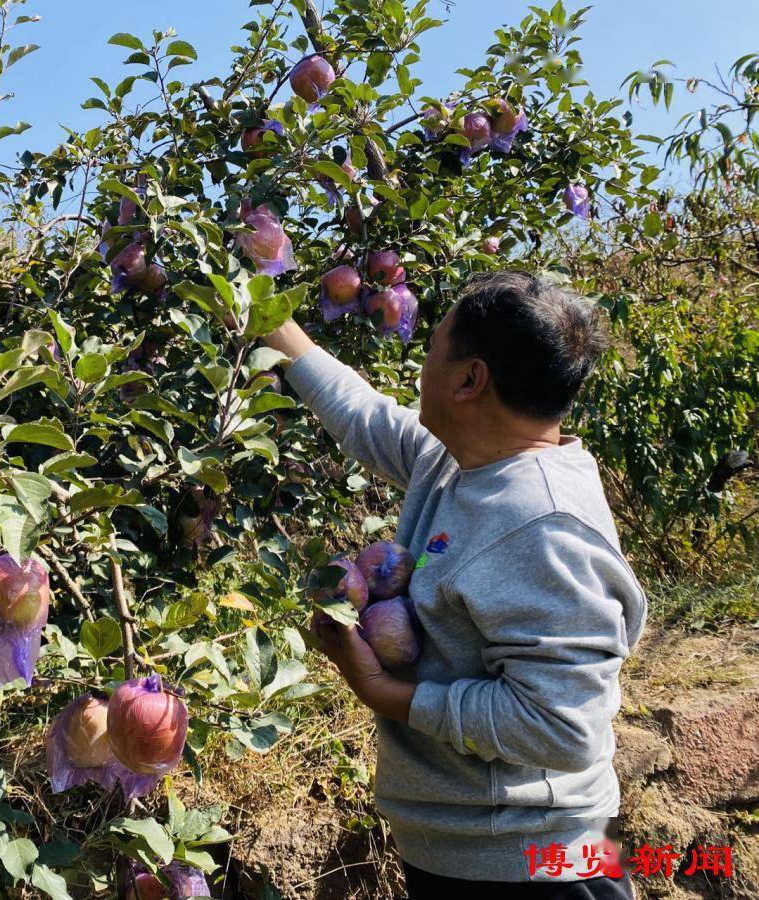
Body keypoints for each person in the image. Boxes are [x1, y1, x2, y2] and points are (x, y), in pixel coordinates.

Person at [262, 271, 646, 898]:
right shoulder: (461, 459)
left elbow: (563, 729)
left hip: (537, 864)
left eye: (433, 347)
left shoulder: (542, 527)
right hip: (470, 848)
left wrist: (383, 691)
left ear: (470, 380)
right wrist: (270, 321)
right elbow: (365, 417)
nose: (420, 367)